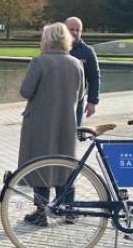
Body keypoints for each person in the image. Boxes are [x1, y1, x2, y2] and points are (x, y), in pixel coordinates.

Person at [18, 22, 85, 227]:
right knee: (65, 163)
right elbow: (81, 94)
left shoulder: (40, 62)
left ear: (47, 40)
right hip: (67, 122)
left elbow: (25, 91)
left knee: (41, 164)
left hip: (41, 122)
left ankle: (41, 212)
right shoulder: (76, 64)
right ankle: (69, 209)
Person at [65, 16, 100, 126]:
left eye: (77, 30)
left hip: (77, 101)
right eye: (71, 29)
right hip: (55, 100)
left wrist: (92, 102)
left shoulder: (88, 52)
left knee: (73, 134)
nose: (74, 33)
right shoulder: (54, 49)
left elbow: (94, 78)